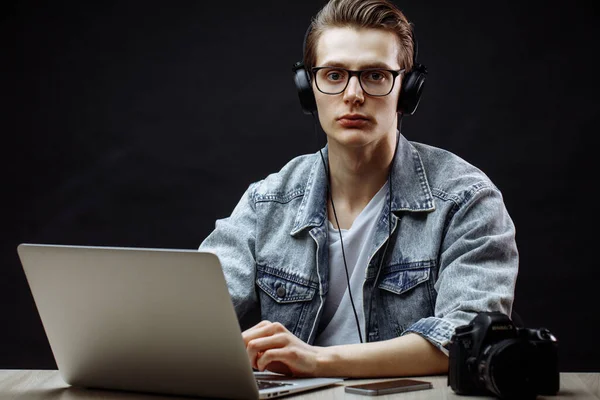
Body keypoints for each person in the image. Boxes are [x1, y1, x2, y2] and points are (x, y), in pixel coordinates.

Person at [199, 0, 518, 378]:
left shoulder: (466, 200)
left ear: (409, 89)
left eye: (375, 76)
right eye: (334, 75)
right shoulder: (267, 203)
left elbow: (467, 338)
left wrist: (316, 361)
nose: (353, 94)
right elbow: (193, 315)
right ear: (307, 88)